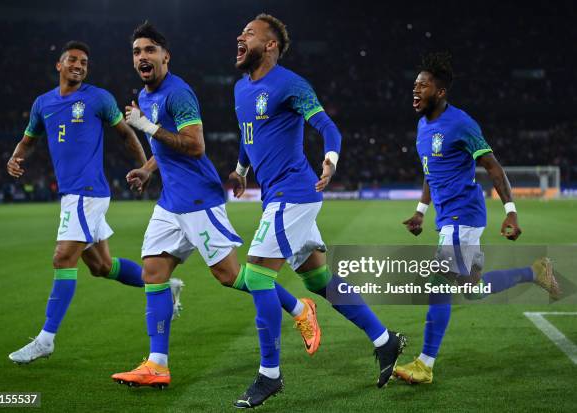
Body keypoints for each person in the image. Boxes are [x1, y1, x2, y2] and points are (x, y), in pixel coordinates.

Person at [110, 22, 320, 390]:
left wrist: (146, 127)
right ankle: (157, 364)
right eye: (136, 52)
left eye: (149, 51)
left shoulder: (179, 94)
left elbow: (194, 146)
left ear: (165, 56)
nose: (142, 57)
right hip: (171, 200)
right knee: (153, 273)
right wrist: (146, 169)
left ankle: (300, 309)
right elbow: (164, 147)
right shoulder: (145, 97)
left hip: (197, 199)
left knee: (233, 276)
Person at [230, 14, 406, 408]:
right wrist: (241, 170)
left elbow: (329, 128)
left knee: (256, 276)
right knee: (318, 280)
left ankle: (269, 375)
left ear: (271, 45)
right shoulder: (241, 88)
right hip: (278, 195)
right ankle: (385, 340)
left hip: (293, 193)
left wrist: (330, 160)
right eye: (241, 32)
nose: (240, 37)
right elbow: (248, 136)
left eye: (250, 34)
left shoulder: (290, 85)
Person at [395, 52, 561, 384]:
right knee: (472, 288)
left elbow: (494, 168)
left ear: (440, 92)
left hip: (463, 215)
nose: (415, 91)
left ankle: (425, 363)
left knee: (439, 284)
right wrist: (421, 211)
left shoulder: (461, 123)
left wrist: (511, 212)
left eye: (423, 86)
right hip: (448, 217)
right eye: (414, 85)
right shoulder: (422, 126)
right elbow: (432, 171)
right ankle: (534, 271)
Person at [7, 41, 151, 364]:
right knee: (102, 267)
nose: (79, 65)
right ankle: (161, 286)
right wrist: (15, 158)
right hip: (71, 195)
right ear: (59, 66)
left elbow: (127, 135)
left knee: (62, 259)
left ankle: (46, 339)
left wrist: (144, 167)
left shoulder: (98, 98)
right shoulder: (42, 104)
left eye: (84, 62)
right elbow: (27, 141)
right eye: (72, 60)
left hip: (88, 192)